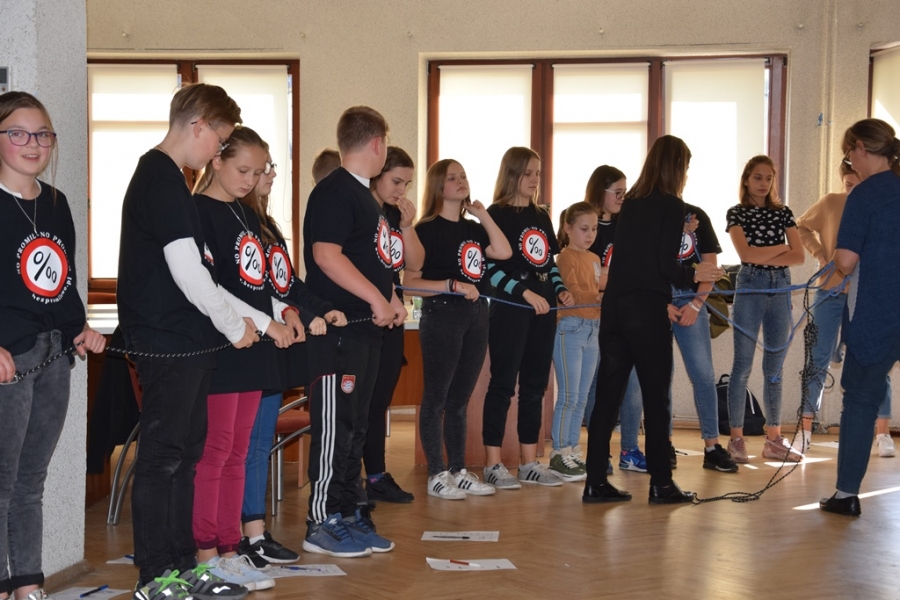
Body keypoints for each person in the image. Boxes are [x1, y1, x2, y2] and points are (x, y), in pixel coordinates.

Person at [118, 83, 271, 600]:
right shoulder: (158, 177)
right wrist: (234, 326)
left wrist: (246, 322)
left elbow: (202, 272)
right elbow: (187, 271)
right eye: (219, 140)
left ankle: (185, 567)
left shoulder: (174, 182)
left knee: (185, 459)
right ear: (198, 124)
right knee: (162, 461)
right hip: (166, 342)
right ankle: (154, 576)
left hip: (189, 342)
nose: (216, 151)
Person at [0, 91, 106, 600]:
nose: (33, 143)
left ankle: (28, 583)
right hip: (9, 357)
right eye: (18, 133)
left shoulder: (58, 203)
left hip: (55, 356)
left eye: (43, 134)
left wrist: (80, 327)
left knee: (32, 479)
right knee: (2, 479)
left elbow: (62, 279)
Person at [191, 126, 304, 591]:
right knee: (216, 452)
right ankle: (206, 551)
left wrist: (283, 312)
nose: (250, 180)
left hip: (254, 344)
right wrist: (266, 322)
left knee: (238, 452)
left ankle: (230, 548)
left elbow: (257, 285)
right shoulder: (199, 212)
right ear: (216, 161)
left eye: (258, 172)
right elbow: (213, 287)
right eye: (243, 170)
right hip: (224, 344)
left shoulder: (246, 213)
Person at [582, 135, 721, 505]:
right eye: (685, 167)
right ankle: (662, 484)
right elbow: (663, 266)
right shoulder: (672, 206)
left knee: (607, 398)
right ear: (677, 168)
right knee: (656, 399)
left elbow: (634, 260)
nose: (686, 175)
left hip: (615, 310)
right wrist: (697, 273)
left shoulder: (630, 204)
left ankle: (595, 482)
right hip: (646, 311)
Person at [302, 106, 405, 557]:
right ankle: (320, 520)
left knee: (357, 428)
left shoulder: (367, 199)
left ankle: (346, 513)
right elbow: (326, 256)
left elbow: (372, 262)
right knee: (335, 429)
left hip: (366, 333)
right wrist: (375, 299)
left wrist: (391, 298)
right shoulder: (334, 191)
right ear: (377, 143)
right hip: (339, 333)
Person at [238, 149, 346, 569]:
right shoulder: (236, 224)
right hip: (249, 346)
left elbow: (286, 285)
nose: (270, 175)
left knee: (259, 444)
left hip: (274, 349)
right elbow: (253, 292)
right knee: (244, 447)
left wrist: (318, 309)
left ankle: (255, 531)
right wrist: (288, 313)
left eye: (270, 168)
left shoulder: (268, 226)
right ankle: (241, 534)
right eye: (261, 169)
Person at [403, 159, 511, 499]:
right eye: (452, 178)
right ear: (439, 186)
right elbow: (410, 283)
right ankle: (437, 473)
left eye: (463, 176)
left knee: (460, 400)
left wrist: (483, 215)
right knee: (436, 398)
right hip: (442, 315)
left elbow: (503, 251)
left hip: (476, 315)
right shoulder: (426, 229)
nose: (461, 181)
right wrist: (450, 285)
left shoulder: (474, 229)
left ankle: (458, 470)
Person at [820, 118, 900, 517]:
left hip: (878, 310)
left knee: (861, 398)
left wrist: (839, 259)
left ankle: (845, 494)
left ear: (860, 149)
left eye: (849, 153)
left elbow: (847, 260)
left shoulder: (864, 194)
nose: (850, 161)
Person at [482, 147, 573, 489]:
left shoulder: (540, 215)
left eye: (538, 172)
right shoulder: (495, 214)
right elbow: (490, 269)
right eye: (529, 173)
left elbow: (549, 263)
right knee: (503, 384)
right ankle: (493, 464)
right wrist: (523, 293)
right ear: (512, 173)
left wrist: (560, 289)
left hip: (543, 309)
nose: (535, 179)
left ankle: (529, 462)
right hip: (511, 308)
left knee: (535, 386)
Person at [795, 161, 894, 457]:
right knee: (817, 359)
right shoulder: (831, 203)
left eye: (859, 185)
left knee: (874, 361)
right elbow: (801, 226)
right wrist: (820, 253)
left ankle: (883, 433)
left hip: (866, 296)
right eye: (849, 185)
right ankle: (804, 430)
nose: (854, 191)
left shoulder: (879, 204)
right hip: (829, 290)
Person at [725, 155, 805, 464]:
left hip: (780, 285)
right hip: (751, 284)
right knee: (742, 366)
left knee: (774, 367)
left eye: (769, 178)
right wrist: (781, 248)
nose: (763, 183)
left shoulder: (783, 213)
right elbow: (745, 254)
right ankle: (736, 438)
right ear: (747, 179)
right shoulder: (736, 213)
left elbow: (798, 256)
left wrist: (767, 254)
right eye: (758, 177)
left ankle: (774, 439)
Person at [363, 147, 423, 505]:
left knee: (381, 400)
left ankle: (376, 475)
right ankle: (354, 478)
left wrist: (407, 226)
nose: (402, 190)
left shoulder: (391, 214)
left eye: (407, 184)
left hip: (393, 315)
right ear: (377, 175)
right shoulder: (362, 210)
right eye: (396, 181)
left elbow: (415, 265)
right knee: (363, 402)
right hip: (366, 315)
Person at [583, 166, 645, 474]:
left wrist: (611, 276)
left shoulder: (629, 225)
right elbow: (585, 276)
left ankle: (630, 449)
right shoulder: (586, 226)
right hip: (596, 316)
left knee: (633, 384)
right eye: (617, 192)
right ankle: (599, 453)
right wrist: (612, 277)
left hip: (629, 313)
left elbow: (637, 269)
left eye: (625, 191)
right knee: (598, 385)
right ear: (600, 192)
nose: (623, 197)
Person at [669, 201, 738, 472]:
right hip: (659, 300)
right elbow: (646, 264)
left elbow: (710, 266)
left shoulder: (697, 215)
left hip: (691, 298)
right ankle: (664, 444)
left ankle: (712, 447)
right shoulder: (651, 213)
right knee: (661, 376)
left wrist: (697, 304)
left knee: (703, 375)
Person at [548, 202, 601, 482]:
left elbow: (592, 291)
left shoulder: (594, 258)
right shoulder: (565, 257)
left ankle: (573, 449)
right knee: (568, 396)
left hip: (593, 329)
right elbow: (573, 293)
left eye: (594, 229)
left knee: (582, 397)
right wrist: (601, 298)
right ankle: (559, 452)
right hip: (570, 328)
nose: (590, 234)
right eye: (584, 229)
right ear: (568, 228)